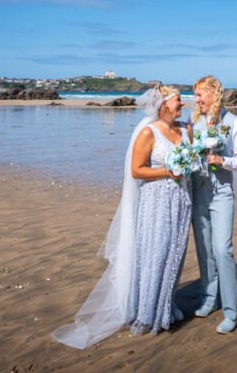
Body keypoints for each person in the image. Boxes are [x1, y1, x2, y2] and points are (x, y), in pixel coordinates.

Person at [53, 85, 193, 349]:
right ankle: (146, 313)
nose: (182, 105)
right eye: (178, 101)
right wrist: (168, 172)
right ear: (163, 104)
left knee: (175, 254)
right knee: (155, 253)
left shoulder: (185, 129)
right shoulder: (147, 132)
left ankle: (165, 306)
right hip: (156, 203)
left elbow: (194, 159)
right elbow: (137, 170)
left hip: (181, 201)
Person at [191, 75, 237, 334]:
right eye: (195, 95)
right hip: (198, 191)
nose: (196, 100)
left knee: (222, 249)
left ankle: (230, 311)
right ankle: (209, 298)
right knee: (204, 249)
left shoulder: (236, 123)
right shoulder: (195, 122)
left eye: (200, 94)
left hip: (222, 192)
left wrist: (221, 160)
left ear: (214, 94)